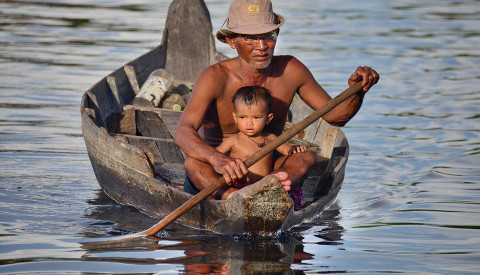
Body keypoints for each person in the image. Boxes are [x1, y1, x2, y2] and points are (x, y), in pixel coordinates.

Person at [174, 0, 379, 201]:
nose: (262, 46)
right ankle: (234, 199)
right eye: (250, 38)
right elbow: (183, 132)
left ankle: (270, 191)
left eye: (267, 36)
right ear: (232, 41)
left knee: (306, 157)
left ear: (277, 34)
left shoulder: (291, 69)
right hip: (219, 177)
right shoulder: (214, 77)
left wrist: (357, 91)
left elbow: (336, 116)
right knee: (193, 163)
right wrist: (217, 159)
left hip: (269, 169)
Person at [216, 86, 306, 208]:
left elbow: (285, 149)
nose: (249, 123)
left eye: (256, 117)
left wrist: (293, 149)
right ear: (235, 118)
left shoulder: (270, 138)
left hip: (264, 186)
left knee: (288, 190)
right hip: (240, 186)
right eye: (242, 117)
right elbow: (217, 156)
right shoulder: (233, 140)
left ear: (268, 118)